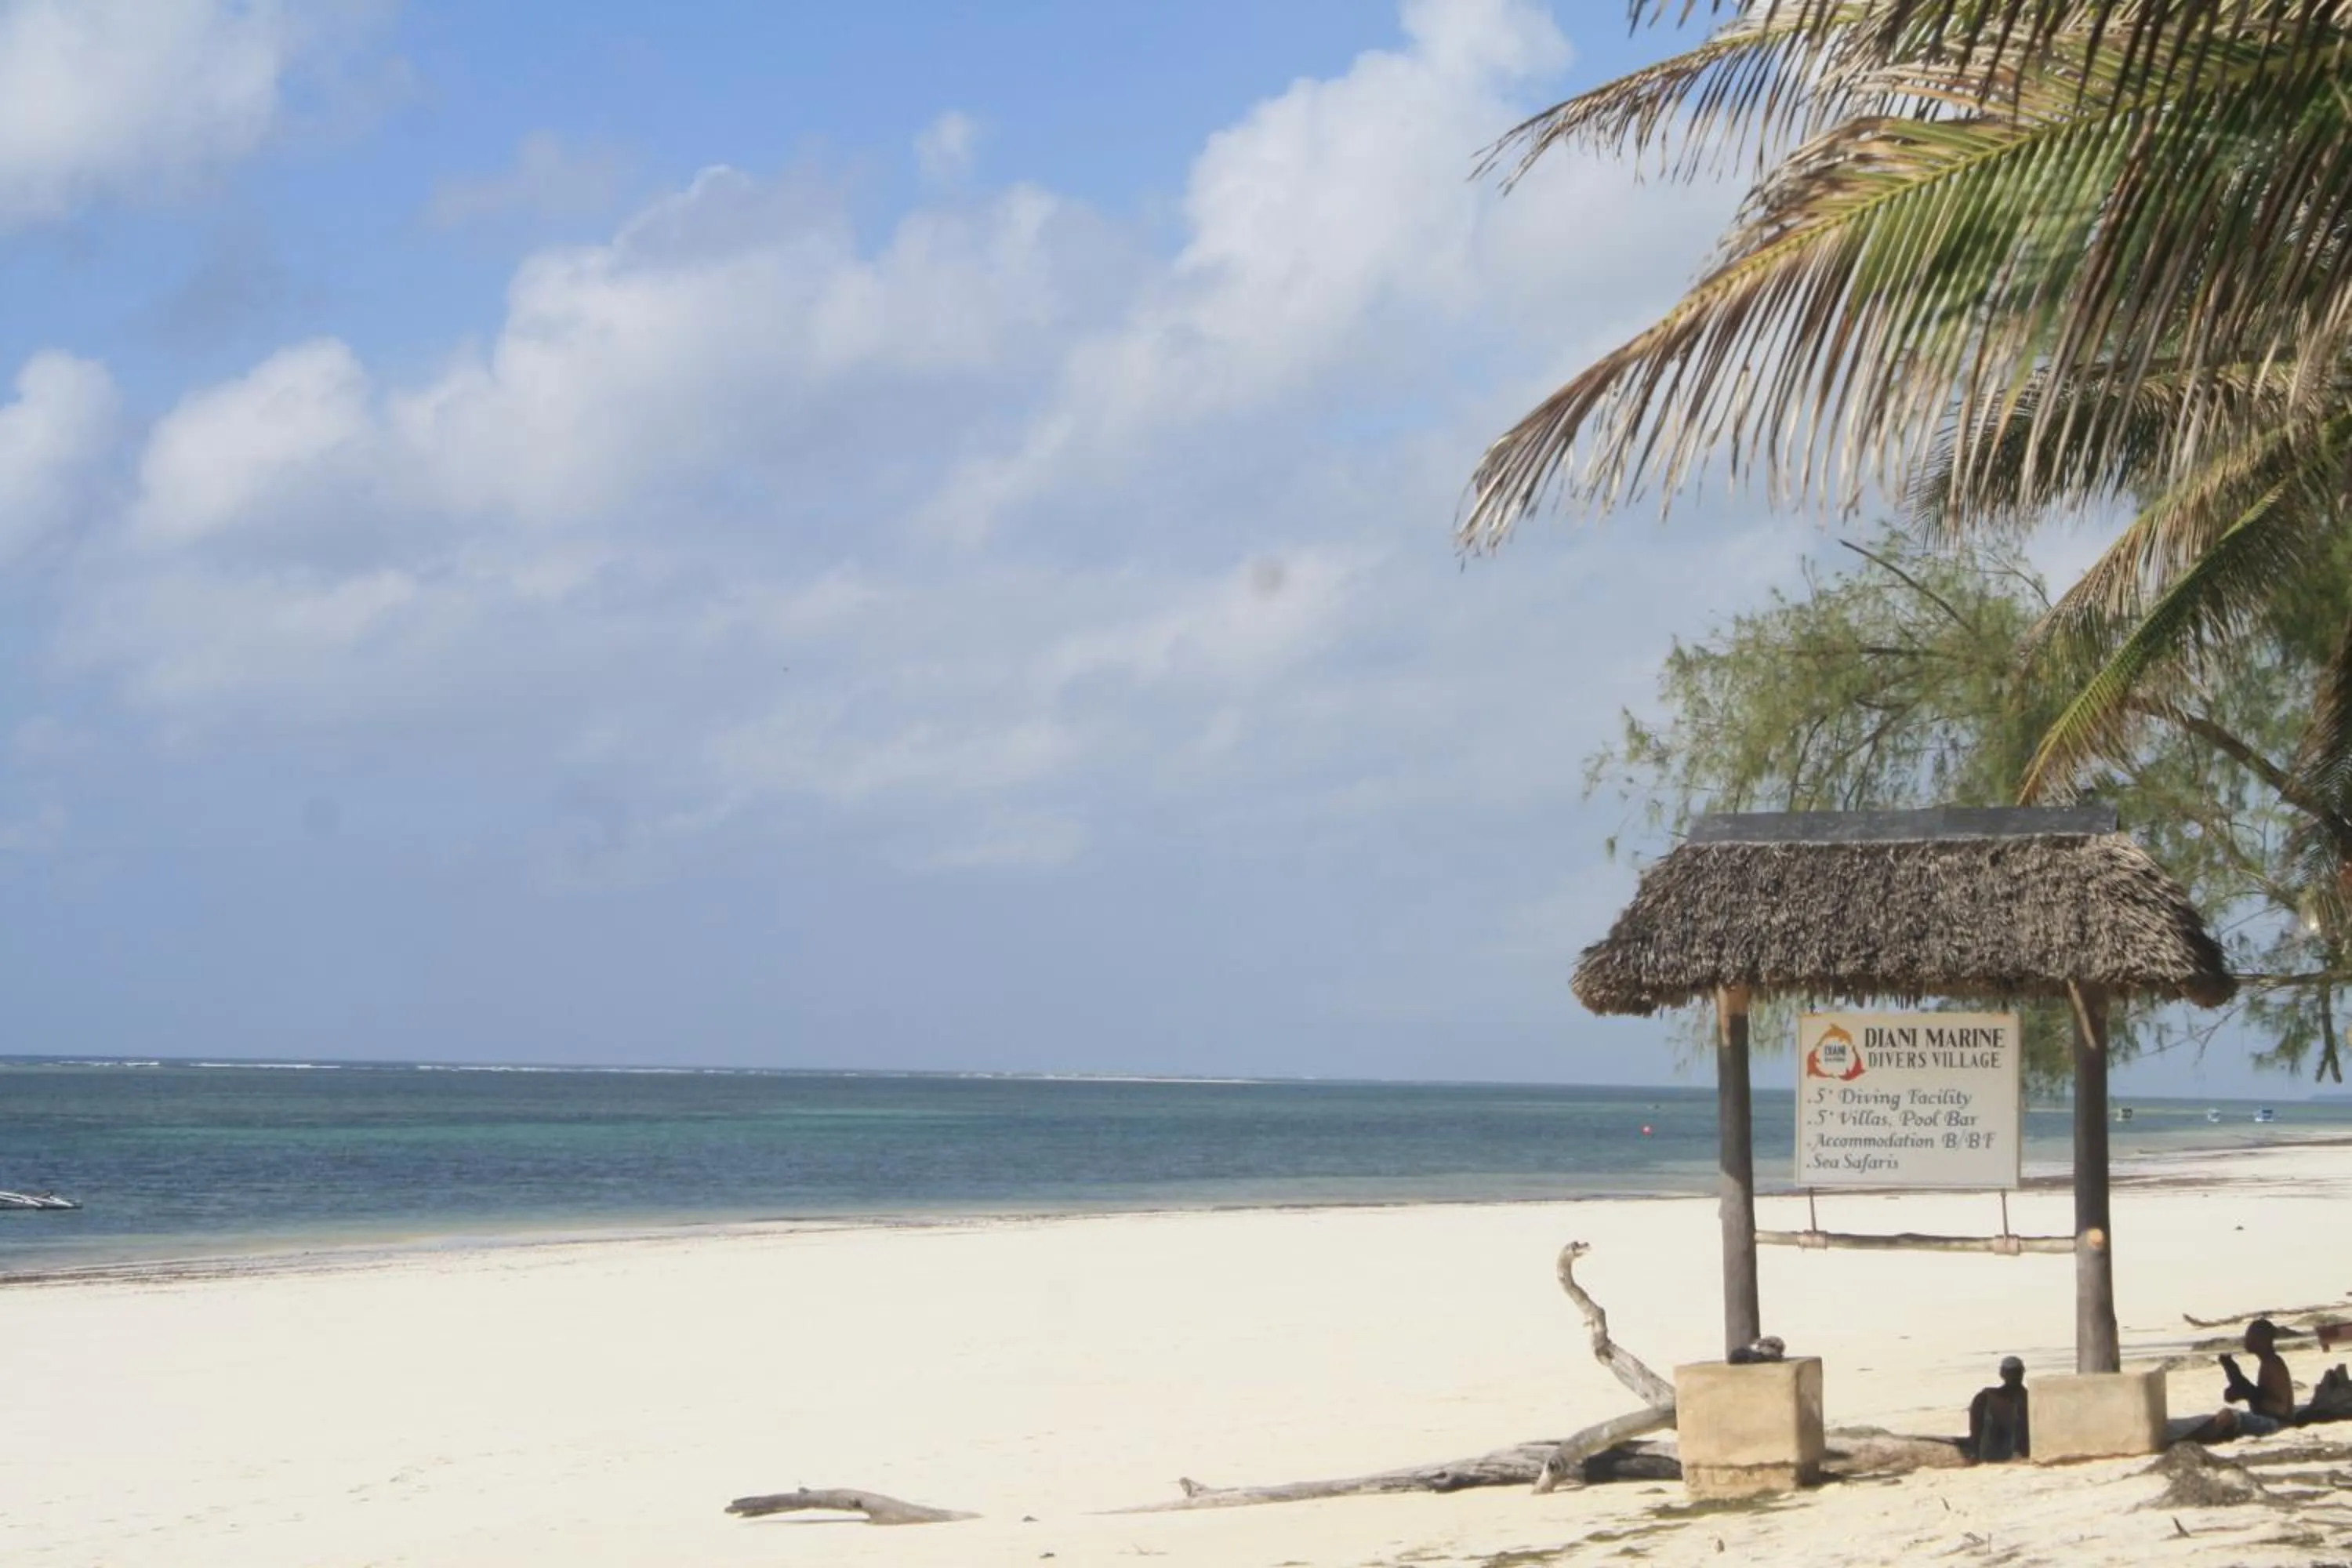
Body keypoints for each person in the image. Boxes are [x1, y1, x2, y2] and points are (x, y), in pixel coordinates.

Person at [2190, 1318, 2297, 1441]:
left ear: (2264, 1340)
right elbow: (2256, 1394)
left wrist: (2249, 1393)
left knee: (2228, 1417)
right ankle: (2186, 1441)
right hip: (2269, 1420)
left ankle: (2193, 1441)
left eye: (2251, 1336)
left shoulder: (2274, 1364)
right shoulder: (2266, 1362)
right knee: (2218, 1418)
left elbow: (2279, 1408)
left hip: (2278, 1424)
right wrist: (2233, 1372)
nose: (2247, 1340)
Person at [1965, 1356, 2030, 1462]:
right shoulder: (2030, 1398)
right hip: (2015, 1455)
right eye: (2012, 1373)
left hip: (1992, 1457)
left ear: (2002, 1373)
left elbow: (1976, 1431)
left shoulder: (1987, 1397)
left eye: (2015, 1373)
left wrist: (1974, 1453)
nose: (2013, 1376)